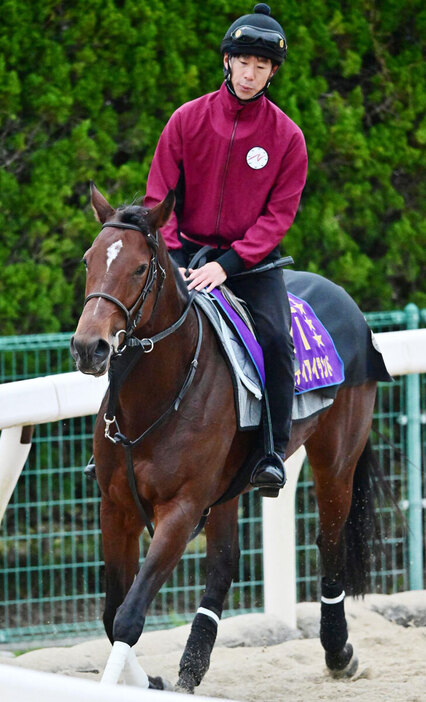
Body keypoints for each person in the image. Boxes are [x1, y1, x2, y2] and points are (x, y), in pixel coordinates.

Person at [145, 3, 308, 494]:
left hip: (250, 266)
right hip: (181, 256)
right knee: (134, 327)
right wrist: (174, 256)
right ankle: (111, 445)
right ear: (227, 62)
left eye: (261, 66)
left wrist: (229, 264)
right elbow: (159, 197)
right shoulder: (185, 120)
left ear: (272, 72)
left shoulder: (288, 138)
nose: (250, 73)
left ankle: (272, 451)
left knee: (278, 341)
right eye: (243, 61)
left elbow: (278, 218)